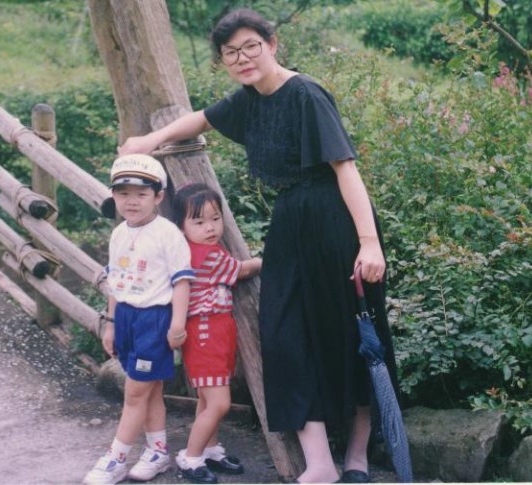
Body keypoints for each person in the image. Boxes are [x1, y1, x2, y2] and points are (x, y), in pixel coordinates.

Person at [118, 8, 399, 484]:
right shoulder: (249, 99)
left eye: (251, 46)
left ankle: (357, 456)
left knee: (349, 332)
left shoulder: (306, 94)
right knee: (283, 335)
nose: (242, 58)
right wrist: (150, 139)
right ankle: (320, 464)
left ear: (272, 45)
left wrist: (369, 244)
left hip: (337, 223)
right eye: (231, 53)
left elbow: (346, 169)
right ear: (223, 61)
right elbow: (201, 120)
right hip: (290, 224)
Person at [83, 154, 194, 485]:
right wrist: (111, 323)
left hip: (154, 320)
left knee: (134, 393)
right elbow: (115, 282)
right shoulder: (119, 233)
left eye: (141, 194)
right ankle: (158, 452)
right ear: (113, 195)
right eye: (123, 193)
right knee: (151, 390)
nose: (131, 201)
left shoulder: (167, 234)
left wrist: (177, 324)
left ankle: (115, 459)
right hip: (126, 318)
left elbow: (182, 282)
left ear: (158, 197)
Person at [172, 183, 262, 484]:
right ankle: (191, 457)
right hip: (206, 334)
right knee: (220, 403)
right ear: (181, 227)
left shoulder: (199, 251)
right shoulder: (206, 255)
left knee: (207, 398)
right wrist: (265, 261)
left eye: (215, 218)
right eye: (199, 222)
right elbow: (241, 270)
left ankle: (209, 449)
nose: (210, 227)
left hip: (213, 332)